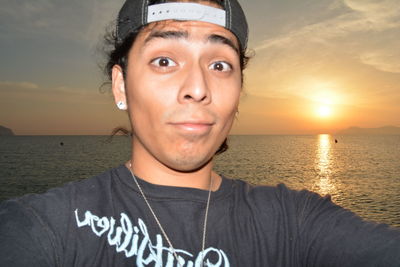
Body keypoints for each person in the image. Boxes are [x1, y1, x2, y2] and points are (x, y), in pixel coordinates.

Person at [0, 0, 399, 266]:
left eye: (220, 64)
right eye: (164, 60)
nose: (198, 86)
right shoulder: (42, 227)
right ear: (121, 86)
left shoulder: (293, 222)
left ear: (239, 90)